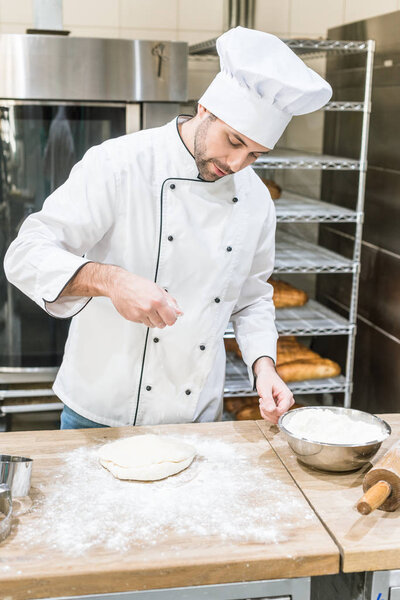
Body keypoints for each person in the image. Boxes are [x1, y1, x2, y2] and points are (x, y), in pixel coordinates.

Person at [3, 27, 332, 430]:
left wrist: (264, 367)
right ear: (205, 109)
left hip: (194, 416)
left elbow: (252, 297)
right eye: (232, 140)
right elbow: (25, 253)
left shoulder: (255, 198)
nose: (236, 163)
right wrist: (111, 280)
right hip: (100, 410)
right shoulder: (121, 163)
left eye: (255, 155)